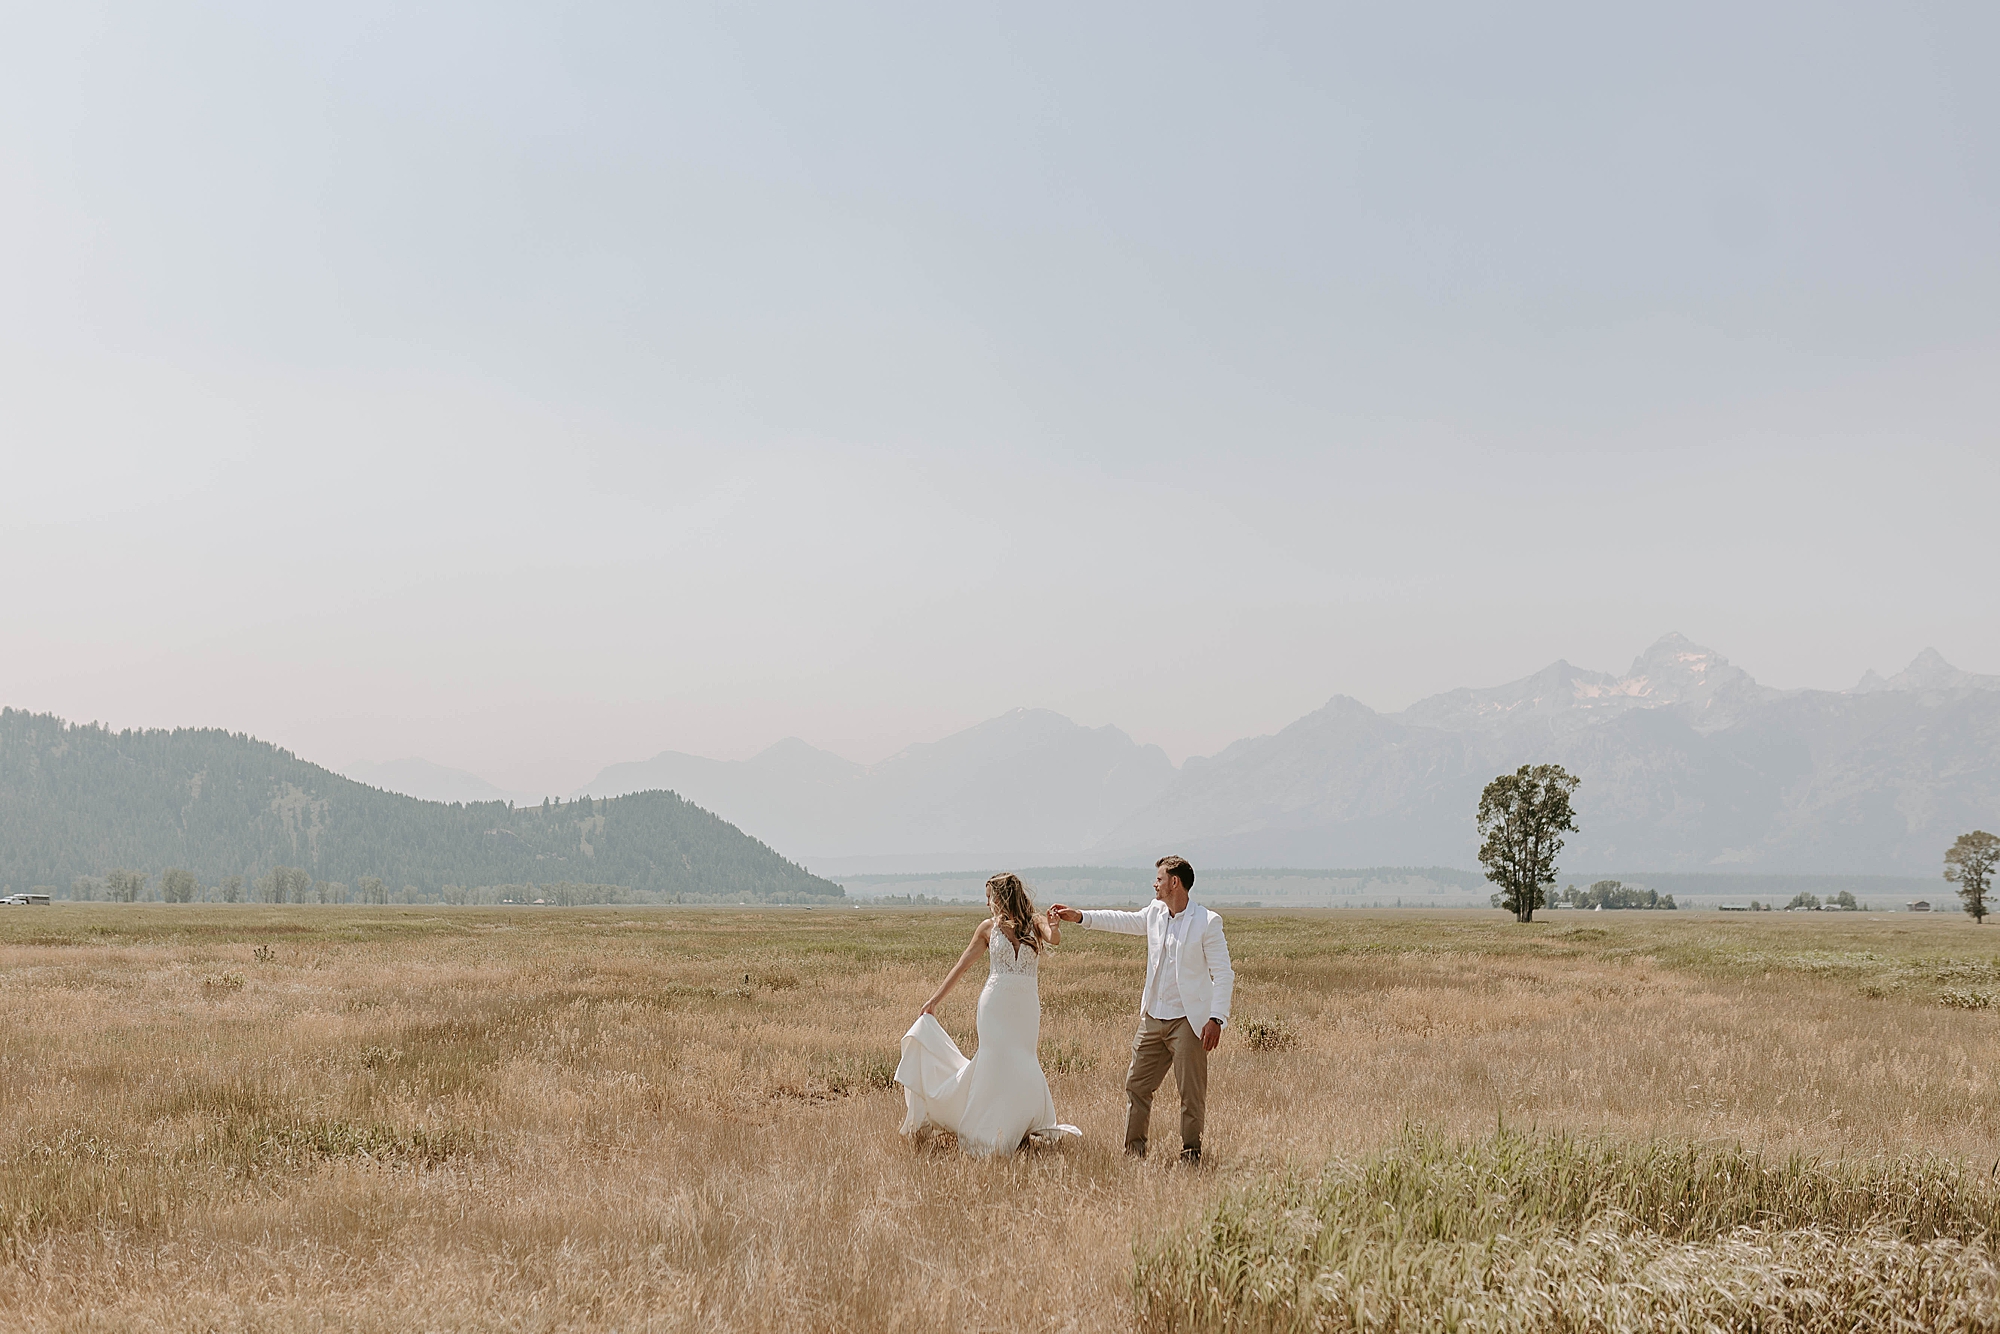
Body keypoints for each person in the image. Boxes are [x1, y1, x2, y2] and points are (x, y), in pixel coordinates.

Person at [1048, 855, 1233, 1163]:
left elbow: (1224, 973)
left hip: (1189, 1021)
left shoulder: (1207, 922)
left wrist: (1216, 1019)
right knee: (1136, 1086)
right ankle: (1133, 1153)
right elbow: (1121, 920)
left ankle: (1191, 1155)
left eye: (1159, 879)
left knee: (1190, 1095)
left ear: (1174, 882)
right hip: (1153, 1017)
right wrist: (1080, 916)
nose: (1154, 884)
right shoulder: (1155, 913)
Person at [895, 872, 1081, 1156]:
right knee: (995, 1060)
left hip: (1026, 1007)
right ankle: (989, 1130)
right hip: (995, 1005)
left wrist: (1054, 925)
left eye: (989, 898)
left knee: (1022, 1059)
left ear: (1002, 896)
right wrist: (934, 1000)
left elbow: (1054, 939)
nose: (987, 904)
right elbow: (962, 965)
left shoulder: (1035, 922)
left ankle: (1019, 1125)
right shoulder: (987, 928)